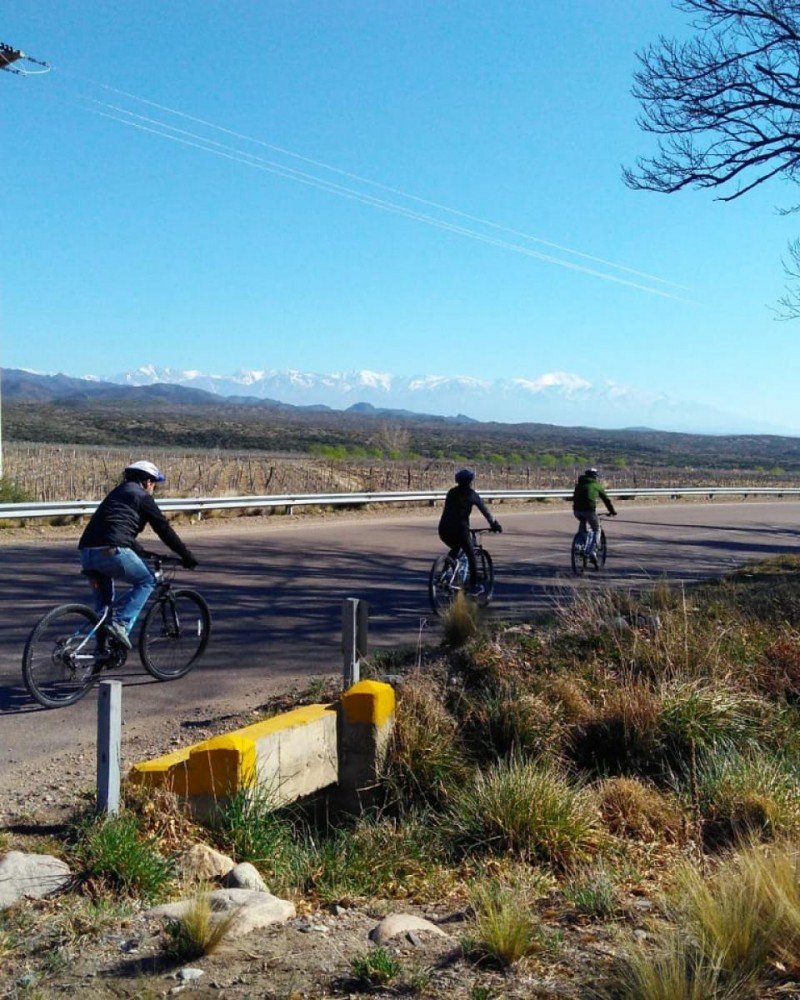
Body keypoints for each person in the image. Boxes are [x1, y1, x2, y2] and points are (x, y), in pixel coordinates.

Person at [78, 460, 198, 649]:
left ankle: (99, 656)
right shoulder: (142, 496)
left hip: (86, 554)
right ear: (147, 481)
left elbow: (117, 528)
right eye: (154, 485)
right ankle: (121, 623)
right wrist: (186, 555)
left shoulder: (117, 493)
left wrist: (141, 551)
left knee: (103, 613)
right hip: (111, 552)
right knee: (147, 581)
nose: (153, 489)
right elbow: (163, 528)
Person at [438, 468, 502, 595]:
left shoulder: (451, 492)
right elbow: (486, 512)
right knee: (471, 555)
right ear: (470, 481)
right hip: (460, 529)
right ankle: (473, 586)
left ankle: (443, 575)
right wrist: (495, 524)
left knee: (455, 548)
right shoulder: (472, 494)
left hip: (443, 529)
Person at [572, 467, 616, 566]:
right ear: (595, 477)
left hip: (577, 511)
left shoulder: (579, 484)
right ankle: (592, 551)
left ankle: (579, 546)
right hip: (589, 511)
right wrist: (612, 511)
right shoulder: (596, 485)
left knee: (582, 529)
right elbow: (606, 500)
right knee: (597, 529)